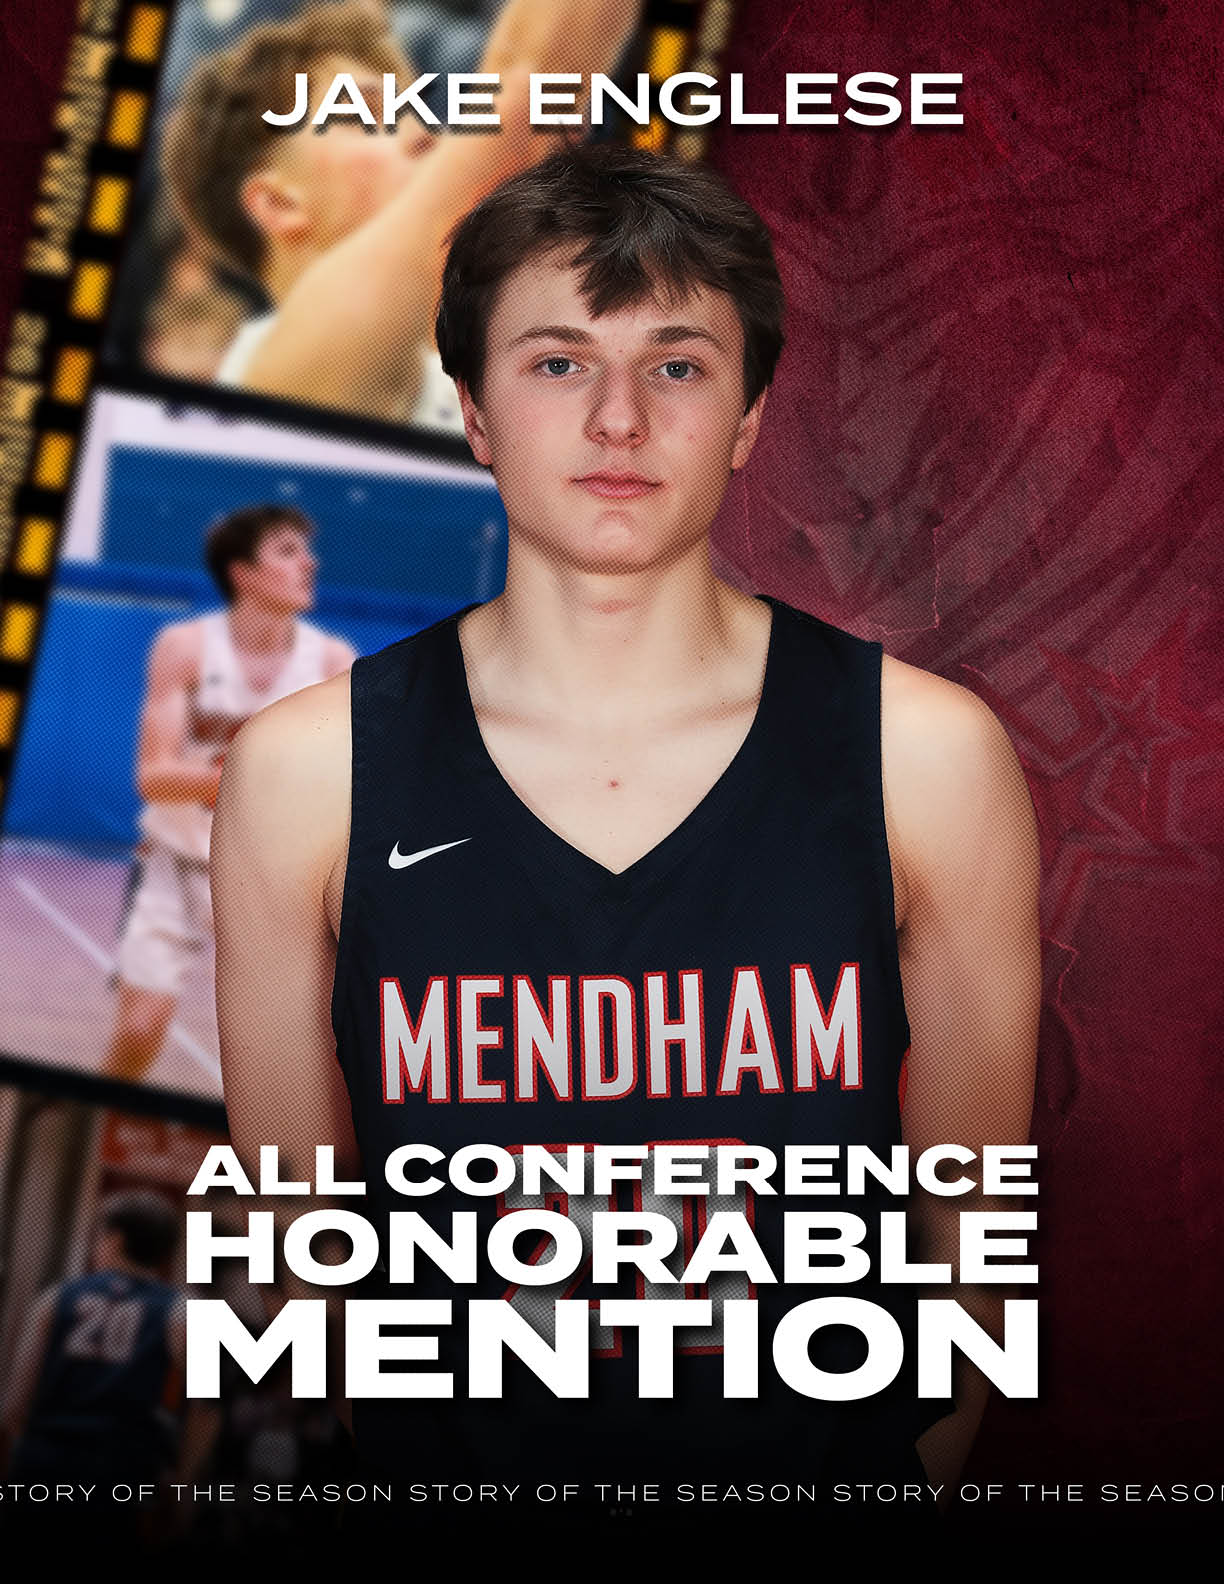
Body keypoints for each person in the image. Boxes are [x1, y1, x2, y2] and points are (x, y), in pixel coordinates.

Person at [211, 145, 1041, 1524]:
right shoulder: (306, 773)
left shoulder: (927, 755)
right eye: (554, 363)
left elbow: (977, 1245)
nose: (615, 419)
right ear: (472, 411)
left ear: (751, 416)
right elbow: (298, 1255)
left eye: (675, 365)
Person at [163, 0, 642, 427]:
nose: (424, 134)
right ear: (281, 203)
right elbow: (527, 85)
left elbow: (531, 96)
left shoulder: (458, 363)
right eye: (368, 116)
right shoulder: (286, 369)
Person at [103, 505, 355, 1085]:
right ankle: (86, 1133)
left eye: (306, 551)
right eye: (288, 551)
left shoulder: (333, 662)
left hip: (272, 881)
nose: (308, 563)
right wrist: (259, 777)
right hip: (176, 860)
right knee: (139, 1033)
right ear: (243, 573)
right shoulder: (186, 647)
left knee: (294, 1063)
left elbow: (343, 783)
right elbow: (154, 776)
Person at [1, 1190, 217, 1491]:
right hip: (121, 1479)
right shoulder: (183, 1313)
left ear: (115, 1240)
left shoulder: (56, 1298)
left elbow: (14, 1405)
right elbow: (205, 1411)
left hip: (42, 1466)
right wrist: (181, 1483)